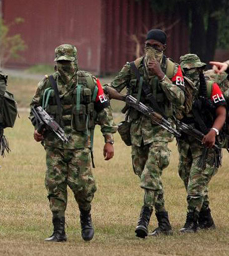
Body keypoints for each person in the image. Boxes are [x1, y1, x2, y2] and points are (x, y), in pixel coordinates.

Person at [30, 44, 115, 242]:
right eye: (61, 63)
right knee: (55, 186)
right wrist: (38, 128)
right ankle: (59, 230)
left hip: (79, 145)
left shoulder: (90, 82)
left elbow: (104, 112)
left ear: (75, 62)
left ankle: (86, 219)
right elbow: (34, 108)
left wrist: (108, 140)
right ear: (55, 63)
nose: (64, 67)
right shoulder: (46, 84)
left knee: (83, 187)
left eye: (67, 63)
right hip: (53, 146)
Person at [105, 29, 186, 238]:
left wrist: (160, 74)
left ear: (164, 48)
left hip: (160, 130)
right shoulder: (132, 67)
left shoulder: (172, 69)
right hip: (138, 131)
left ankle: (144, 218)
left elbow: (180, 98)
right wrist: (124, 98)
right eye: (148, 45)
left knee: (151, 175)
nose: (151, 50)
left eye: (156, 47)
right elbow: (110, 88)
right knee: (147, 176)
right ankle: (165, 223)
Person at [176, 54, 225, 232]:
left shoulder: (211, 87)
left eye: (195, 69)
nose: (192, 73)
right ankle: (206, 219)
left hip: (207, 144)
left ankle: (191, 222)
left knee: (196, 183)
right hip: (185, 143)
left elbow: (221, 113)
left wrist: (214, 132)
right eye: (187, 70)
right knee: (186, 176)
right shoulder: (176, 89)